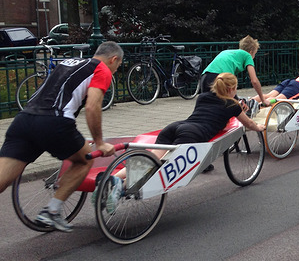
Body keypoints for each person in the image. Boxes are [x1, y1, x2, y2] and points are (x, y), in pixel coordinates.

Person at [0, 41, 124, 232]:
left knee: (2, 179)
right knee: (84, 160)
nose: (115, 71)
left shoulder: (68, 63)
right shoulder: (102, 69)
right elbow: (92, 106)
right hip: (54, 121)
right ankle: (52, 211)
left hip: (24, 120)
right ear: (113, 59)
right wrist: (99, 143)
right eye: (118, 66)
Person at [103, 73, 266, 212]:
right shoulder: (233, 105)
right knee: (159, 167)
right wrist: (259, 127)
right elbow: (248, 124)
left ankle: (111, 179)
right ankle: (122, 187)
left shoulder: (203, 97)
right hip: (194, 134)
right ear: (231, 89)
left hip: (175, 126)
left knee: (152, 158)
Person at [200, 35, 268, 106]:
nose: (253, 57)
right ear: (251, 52)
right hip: (219, 79)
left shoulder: (228, 52)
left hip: (205, 76)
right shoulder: (247, 55)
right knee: (234, 106)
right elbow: (254, 81)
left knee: (207, 106)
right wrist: (263, 99)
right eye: (254, 54)